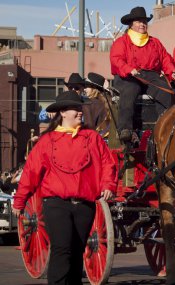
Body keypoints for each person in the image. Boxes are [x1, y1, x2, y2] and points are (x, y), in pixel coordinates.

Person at [12, 90, 117, 284]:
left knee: (77, 252)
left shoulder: (92, 138)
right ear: (62, 112)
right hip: (56, 204)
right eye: (74, 109)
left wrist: (108, 184)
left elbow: (108, 163)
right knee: (62, 249)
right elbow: (31, 173)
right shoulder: (47, 141)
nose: (79, 112)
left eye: (80, 108)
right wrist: (20, 201)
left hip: (85, 205)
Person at [110, 6, 175, 143]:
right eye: (138, 21)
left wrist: (172, 72)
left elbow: (165, 59)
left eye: (144, 22)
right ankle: (125, 130)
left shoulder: (155, 42)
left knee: (166, 92)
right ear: (131, 24)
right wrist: (129, 69)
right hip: (128, 76)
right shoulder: (121, 41)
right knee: (130, 89)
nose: (142, 24)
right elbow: (116, 59)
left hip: (150, 76)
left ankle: (164, 127)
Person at [83, 72, 111, 138]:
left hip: (94, 140)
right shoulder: (106, 102)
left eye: (87, 86)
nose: (84, 89)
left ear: (94, 88)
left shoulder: (89, 104)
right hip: (107, 141)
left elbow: (88, 128)